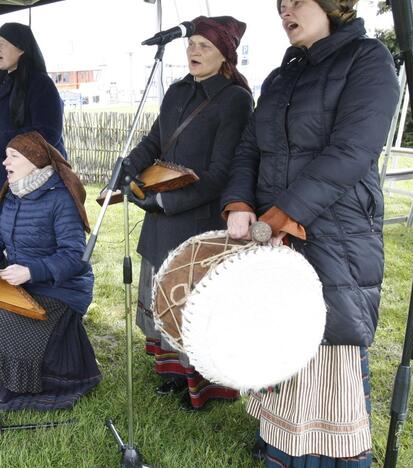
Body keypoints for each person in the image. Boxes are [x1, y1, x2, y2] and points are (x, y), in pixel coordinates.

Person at [221, 1, 399, 465]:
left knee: (328, 339)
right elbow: (249, 148)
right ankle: (279, 446)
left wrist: (282, 214)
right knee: (281, 333)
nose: (286, 11)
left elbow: (352, 150)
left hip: (336, 229)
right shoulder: (281, 77)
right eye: (280, 5)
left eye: (297, 1)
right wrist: (239, 203)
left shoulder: (368, 58)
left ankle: (327, 456)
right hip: (274, 229)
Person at [121, 16, 253, 411]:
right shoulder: (176, 91)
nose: (194, 51)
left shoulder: (235, 99)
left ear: (225, 54)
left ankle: (202, 386)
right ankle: (171, 373)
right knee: (159, 294)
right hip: (160, 218)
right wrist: (128, 165)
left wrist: (166, 202)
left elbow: (222, 172)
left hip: (197, 221)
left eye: (204, 46)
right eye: (191, 43)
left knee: (191, 305)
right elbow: (154, 140)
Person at [0, 131, 100, 411]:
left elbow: (75, 258)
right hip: (22, 286)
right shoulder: (15, 194)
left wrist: (31, 271)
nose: (4, 162)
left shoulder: (60, 199)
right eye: (6, 156)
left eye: (13, 156)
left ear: (34, 161)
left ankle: (39, 380)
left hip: (60, 290)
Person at [0, 22, 66, 248]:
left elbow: (48, 132)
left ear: (21, 48)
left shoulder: (40, 84)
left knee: (22, 248)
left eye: (2, 44)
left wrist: (3, 140)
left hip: (28, 183)